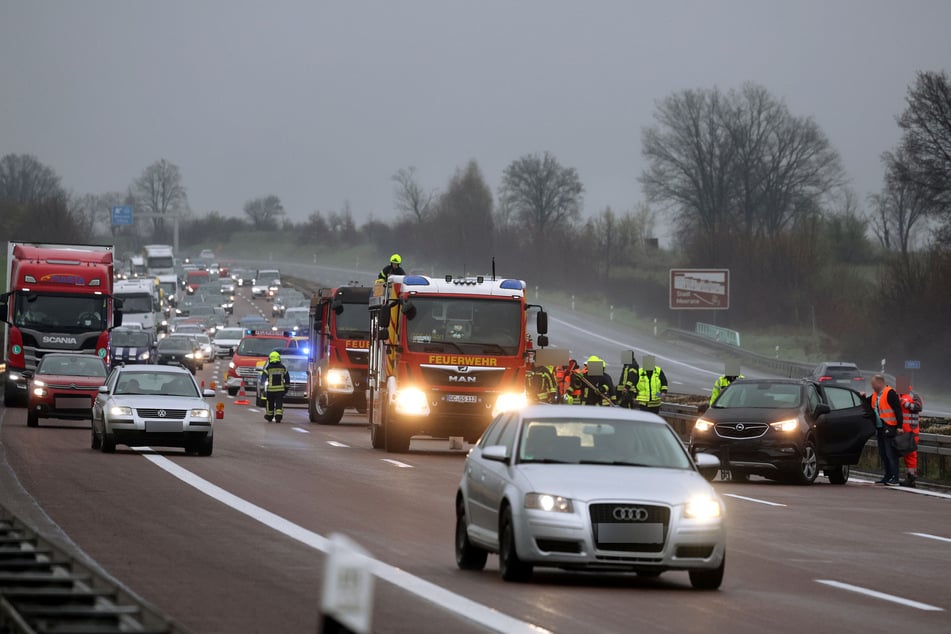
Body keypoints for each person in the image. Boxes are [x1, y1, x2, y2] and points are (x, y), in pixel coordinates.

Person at [867, 374, 903, 485]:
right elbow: (867, 403)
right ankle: (887, 476)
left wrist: (899, 426)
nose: (872, 386)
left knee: (891, 454)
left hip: (890, 427)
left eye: (873, 384)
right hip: (880, 428)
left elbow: (898, 410)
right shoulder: (875, 395)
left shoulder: (890, 393)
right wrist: (861, 396)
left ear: (880, 382)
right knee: (883, 454)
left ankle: (895, 477)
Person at [899, 387, 923, 488]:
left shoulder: (912, 396)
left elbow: (918, 407)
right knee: (908, 456)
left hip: (911, 432)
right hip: (907, 431)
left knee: (910, 456)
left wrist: (904, 403)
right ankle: (910, 477)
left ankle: (911, 478)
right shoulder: (903, 396)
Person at [261, 350, 290, 423]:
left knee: (270, 403)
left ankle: (269, 416)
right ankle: (278, 416)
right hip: (280, 390)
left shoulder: (268, 368)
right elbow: (287, 378)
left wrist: (262, 388)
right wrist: (286, 388)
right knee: (279, 403)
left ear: (270, 358)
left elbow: (263, 378)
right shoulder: (283, 368)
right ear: (278, 358)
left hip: (270, 390)